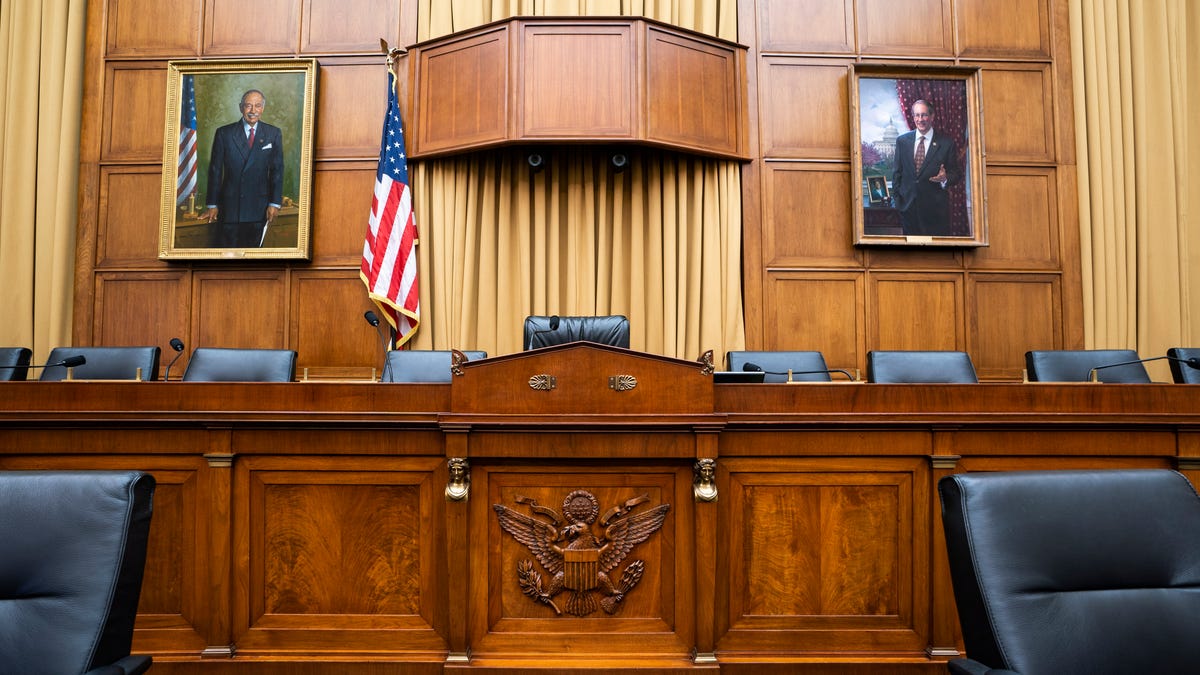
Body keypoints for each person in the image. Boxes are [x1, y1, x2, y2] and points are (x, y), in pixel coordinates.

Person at [200, 89, 284, 248]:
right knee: (228, 259)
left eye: (257, 106)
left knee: (254, 261)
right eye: (248, 106)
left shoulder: (273, 133)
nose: (253, 111)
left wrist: (274, 203)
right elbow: (215, 171)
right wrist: (212, 204)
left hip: (259, 208)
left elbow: (277, 171)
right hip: (230, 208)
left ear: (263, 108)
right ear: (241, 107)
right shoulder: (224, 133)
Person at [891, 99, 960, 236]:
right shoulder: (902, 141)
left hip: (935, 211)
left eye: (924, 115)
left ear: (932, 116)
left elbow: (956, 173)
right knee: (911, 254)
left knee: (934, 255)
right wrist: (898, 202)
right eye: (917, 115)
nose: (920, 119)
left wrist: (945, 178)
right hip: (908, 209)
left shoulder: (946, 143)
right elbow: (897, 173)